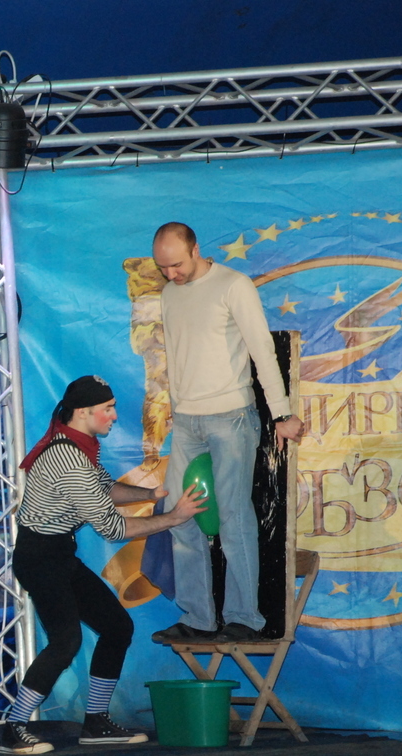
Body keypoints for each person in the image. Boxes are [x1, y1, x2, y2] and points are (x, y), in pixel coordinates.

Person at [0, 375, 206, 755]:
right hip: (40, 558)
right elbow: (113, 528)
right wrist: (173, 518)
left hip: (57, 554)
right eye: (107, 409)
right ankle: (14, 728)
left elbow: (105, 489)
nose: (114, 415)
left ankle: (95, 722)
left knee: (117, 627)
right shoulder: (69, 459)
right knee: (65, 642)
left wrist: (151, 494)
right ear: (83, 412)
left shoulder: (76, 445)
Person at [149, 222, 305, 645]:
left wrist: (282, 413)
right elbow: (178, 357)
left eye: (176, 265)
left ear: (196, 249)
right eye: (163, 268)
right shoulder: (169, 294)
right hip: (187, 422)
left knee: (234, 516)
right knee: (178, 514)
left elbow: (262, 350)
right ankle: (198, 616)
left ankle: (244, 617)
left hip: (231, 417)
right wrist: (177, 407)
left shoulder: (233, 285)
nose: (171, 274)